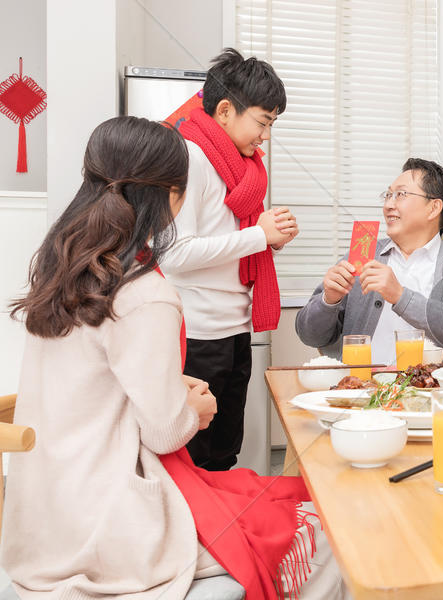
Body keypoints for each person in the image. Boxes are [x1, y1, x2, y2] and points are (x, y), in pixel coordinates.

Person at [2, 116, 349, 599]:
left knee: (257, 490)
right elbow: (166, 432)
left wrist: (170, 385)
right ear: (170, 195)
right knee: (324, 521)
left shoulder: (60, 268)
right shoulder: (143, 293)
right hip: (113, 527)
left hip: (44, 518)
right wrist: (198, 410)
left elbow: (102, 381)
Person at [159, 48, 298, 471]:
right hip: (199, 334)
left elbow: (226, 238)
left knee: (225, 451)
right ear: (224, 110)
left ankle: (224, 535)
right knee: (195, 457)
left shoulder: (242, 168)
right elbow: (176, 254)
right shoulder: (191, 159)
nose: (266, 136)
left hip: (235, 328)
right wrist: (258, 235)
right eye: (263, 121)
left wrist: (266, 238)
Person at [296, 158, 443, 364]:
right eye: (388, 195)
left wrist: (400, 296)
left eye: (401, 195)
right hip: (361, 389)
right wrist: (328, 301)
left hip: (430, 391)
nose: (388, 204)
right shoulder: (364, 251)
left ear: (433, 208)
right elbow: (309, 335)